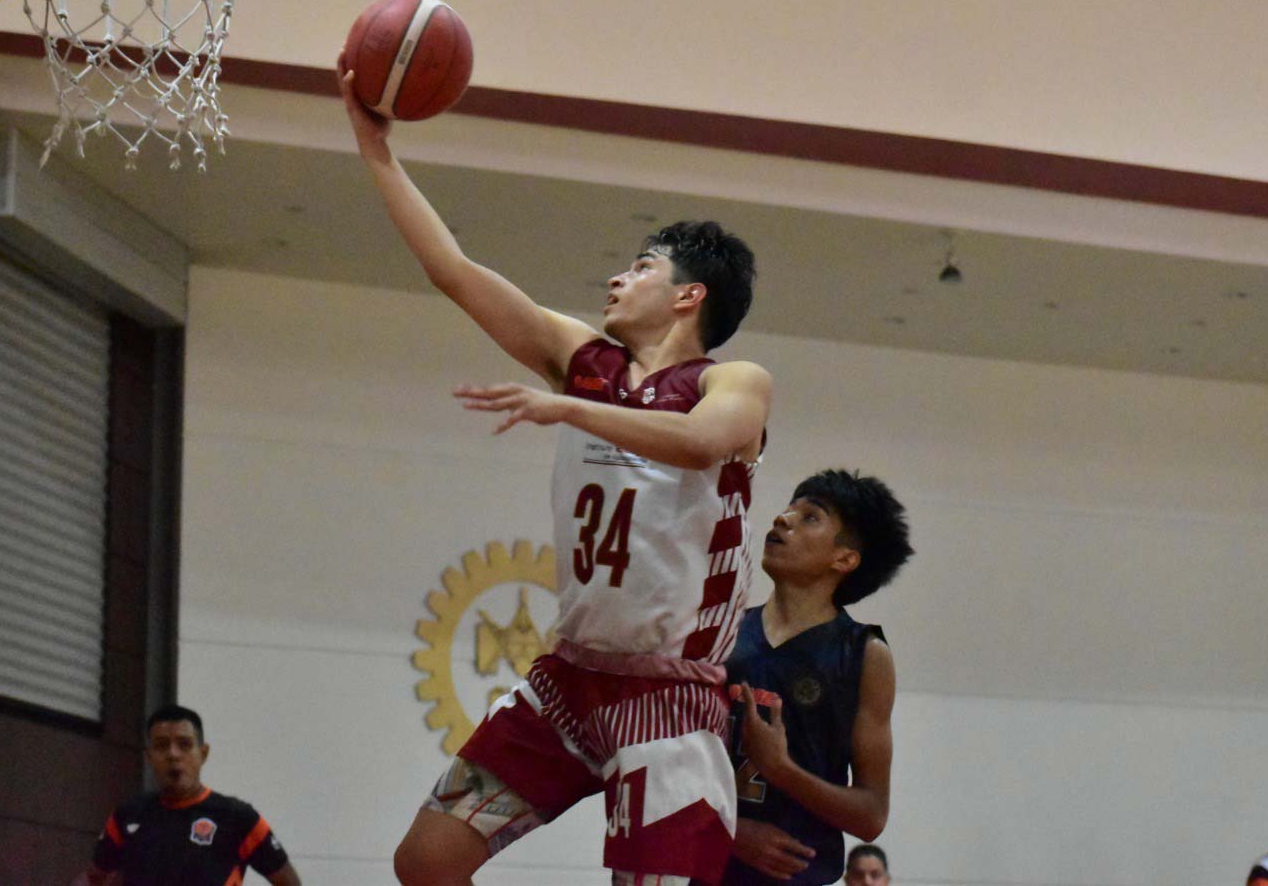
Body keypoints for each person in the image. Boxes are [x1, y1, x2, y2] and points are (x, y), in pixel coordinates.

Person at [338, 61, 771, 886]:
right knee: (426, 861)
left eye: (643, 265)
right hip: (568, 679)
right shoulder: (582, 357)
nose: (618, 277)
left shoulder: (734, 379)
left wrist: (568, 411)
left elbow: (703, 443)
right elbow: (454, 271)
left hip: (668, 704)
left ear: (690, 296)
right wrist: (377, 152)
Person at [720, 470, 911, 886]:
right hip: (705, 870)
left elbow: (871, 816)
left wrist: (780, 768)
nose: (782, 519)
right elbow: (667, 758)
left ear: (844, 559)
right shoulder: (720, 632)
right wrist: (729, 833)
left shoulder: (865, 655)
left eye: (810, 517)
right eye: (789, 508)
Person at [78, 705, 300, 886]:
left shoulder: (237, 817)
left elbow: (288, 881)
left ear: (203, 754)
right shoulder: (128, 815)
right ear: (149, 756)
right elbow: (94, 877)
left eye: (184, 745)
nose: (173, 754)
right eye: (162, 746)